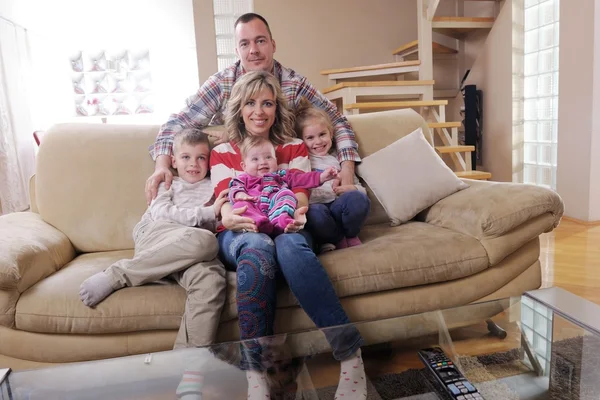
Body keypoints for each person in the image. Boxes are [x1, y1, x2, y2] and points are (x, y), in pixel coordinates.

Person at [210, 70, 366, 400]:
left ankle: (351, 357)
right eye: (251, 103)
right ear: (239, 106)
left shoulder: (294, 147)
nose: (259, 111)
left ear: (277, 108)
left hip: (288, 221)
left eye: (267, 103)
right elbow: (224, 203)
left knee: (291, 247)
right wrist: (230, 216)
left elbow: (301, 193)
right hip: (238, 230)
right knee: (256, 245)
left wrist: (296, 214)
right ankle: (256, 376)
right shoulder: (223, 151)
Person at [145, 12, 361, 207]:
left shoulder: (294, 84)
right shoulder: (222, 84)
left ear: (273, 44)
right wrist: (162, 166)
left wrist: (347, 169)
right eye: (245, 44)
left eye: (260, 41)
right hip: (241, 185)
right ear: (237, 50)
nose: (254, 50)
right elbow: (177, 124)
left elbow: (338, 122)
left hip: (288, 180)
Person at [79, 129, 228, 349]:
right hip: (157, 235)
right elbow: (161, 214)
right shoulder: (168, 182)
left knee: (212, 280)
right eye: (186, 157)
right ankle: (117, 275)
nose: (193, 164)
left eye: (201, 158)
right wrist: (207, 213)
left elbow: (219, 221)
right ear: (174, 161)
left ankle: (189, 371)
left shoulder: (214, 186)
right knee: (206, 241)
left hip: (189, 253)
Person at [295, 97, 371, 252]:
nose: (318, 141)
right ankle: (337, 238)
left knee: (359, 199)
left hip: (338, 207)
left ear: (331, 133)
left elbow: (362, 190)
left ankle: (350, 235)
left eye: (322, 134)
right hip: (319, 211)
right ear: (301, 140)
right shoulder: (303, 161)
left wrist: (352, 189)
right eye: (310, 137)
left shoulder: (338, 159)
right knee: (314, 213)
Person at [229, 135, 339, 236]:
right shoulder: (243, 178)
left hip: (276, 207)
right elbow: (234, 186)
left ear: (276, 160)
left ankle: (282, 221)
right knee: (241, 205)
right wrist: (240, 194)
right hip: (255, 207)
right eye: (255, 159)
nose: (263, 162)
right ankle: (258, 223)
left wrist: (322, 177)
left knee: (286, 194)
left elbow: (301, 178)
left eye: (268, 157)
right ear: (244, 166)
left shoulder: (281, 175)